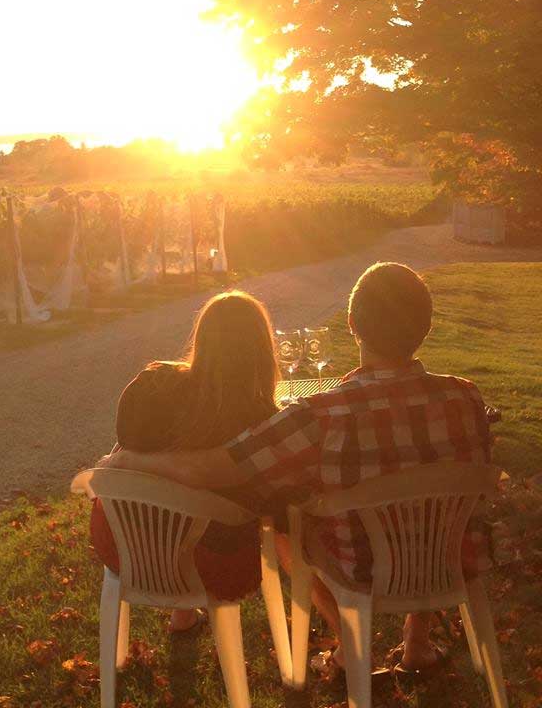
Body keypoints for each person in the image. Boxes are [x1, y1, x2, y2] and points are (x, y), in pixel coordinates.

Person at [101, 262, 493, 675]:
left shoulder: (321, 416)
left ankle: (350, 647)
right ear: (426, 328)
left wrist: (128, 461)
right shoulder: (466, 399)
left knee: (295, 525)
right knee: (427, 511)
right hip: (451, 558)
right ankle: (417, 643)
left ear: (352, 325)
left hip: (361, 567)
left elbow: (221, 468)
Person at [91, 290, 279, 631]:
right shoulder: (261, 419)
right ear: (262, 351)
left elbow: (126, 445)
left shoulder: (150, 384)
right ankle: (187, 610)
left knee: (172, 507)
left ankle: (183, 615)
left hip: (124, 546)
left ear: (202, 337)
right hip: (210, 564)